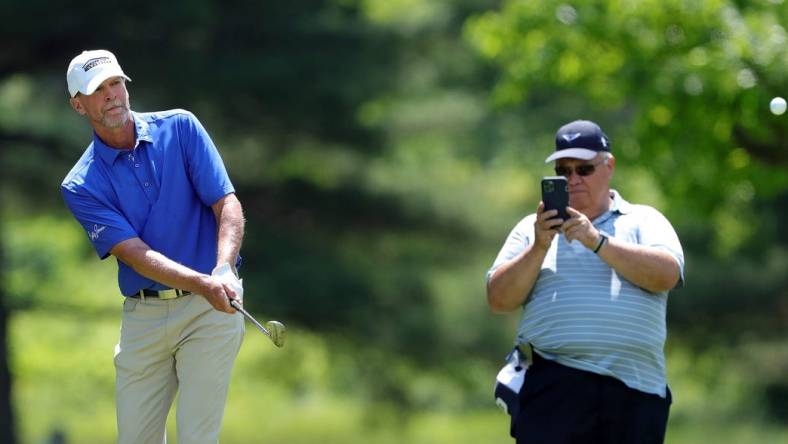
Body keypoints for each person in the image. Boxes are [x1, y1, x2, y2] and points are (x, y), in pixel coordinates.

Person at [61, 49, 246, 444]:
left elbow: (226, 203)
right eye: (98, 90)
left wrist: (224, 269)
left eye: (116, 83)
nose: (112, 95)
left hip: (210, 309)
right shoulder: (80, 184)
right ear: (79, 105)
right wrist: (203, 282)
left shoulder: (181, 128)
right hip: (144, 317)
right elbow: (135, 254)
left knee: (197, 437)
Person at [486, 120, 685, 444]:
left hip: (635, 389)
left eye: (584, 169)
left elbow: (666, 275)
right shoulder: (531, 229)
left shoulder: (644, 220)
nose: (573, 179)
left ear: (609, 166)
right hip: (553, 384)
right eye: (564, 171)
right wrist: (539, 246)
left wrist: (596, 241)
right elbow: (499, 299)